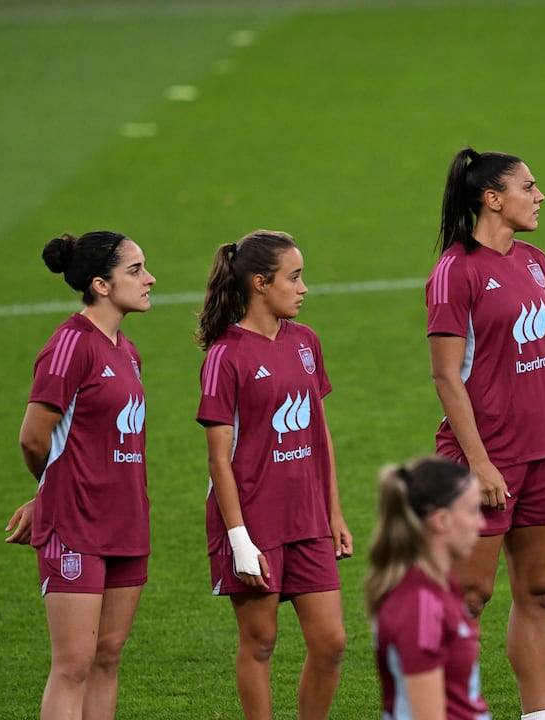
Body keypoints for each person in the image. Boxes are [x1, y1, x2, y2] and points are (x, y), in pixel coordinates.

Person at [426, 147, 545, 720]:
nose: (539, 195)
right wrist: (480, 463)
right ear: (493, 199)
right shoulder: (455, 272)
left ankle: (539, 715)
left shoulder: (536, 262)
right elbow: (446, 375)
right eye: (529, 186)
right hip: (482, 463)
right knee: (467, 599)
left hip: (543, 457)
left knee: (540, 593)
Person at [195, 230, 352, 720]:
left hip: (308, 518)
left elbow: (319, 432)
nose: (304, 288)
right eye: (295, 277)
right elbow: (218, 459)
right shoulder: (226, 356)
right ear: (260, 283)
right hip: (254, 522)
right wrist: (239, 540)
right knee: (260, 643)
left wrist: (335, 513)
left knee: (331, 642)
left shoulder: (306, 342)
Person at [4, 230, 155, 719]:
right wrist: (50, 490)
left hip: (127, 521)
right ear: (101, 284)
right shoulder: (70, 345)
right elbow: (33, 437)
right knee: (73, 664)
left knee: (108, 657)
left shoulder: (126, 351)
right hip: (77, 525)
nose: (149, 278)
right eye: (135, 270)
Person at [367, 456, 490, 720]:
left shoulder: (440, 586)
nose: (481, 524)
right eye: (471, 512)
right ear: (441, 520)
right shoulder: (420, 607)